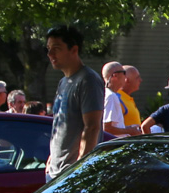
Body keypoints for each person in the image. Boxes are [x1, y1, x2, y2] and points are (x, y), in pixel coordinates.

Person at [42, 25, 105, 178]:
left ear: (74, 50)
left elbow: (92, 127)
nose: (50, 54)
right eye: (48, 48)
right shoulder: (63, 82)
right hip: (55, 172)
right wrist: (52, 158)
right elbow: (60, 125)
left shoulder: (88, 80)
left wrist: (79, 170)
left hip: (71, 174)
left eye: (56, 48)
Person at [98, 62, 135, 139]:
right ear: (115, 76)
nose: (126, 76)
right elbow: (106, 128)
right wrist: (130, 130)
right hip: (114, 146)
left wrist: (128, 128)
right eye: (124, 73)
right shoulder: (111, 96)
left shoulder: (104, 93)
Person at [117, 65, 149, 132]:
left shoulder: (127, 98)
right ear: (127, 80)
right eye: (137, 78)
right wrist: (130, 131)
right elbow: (108, 128)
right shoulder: (117, 99)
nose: (141, 80)